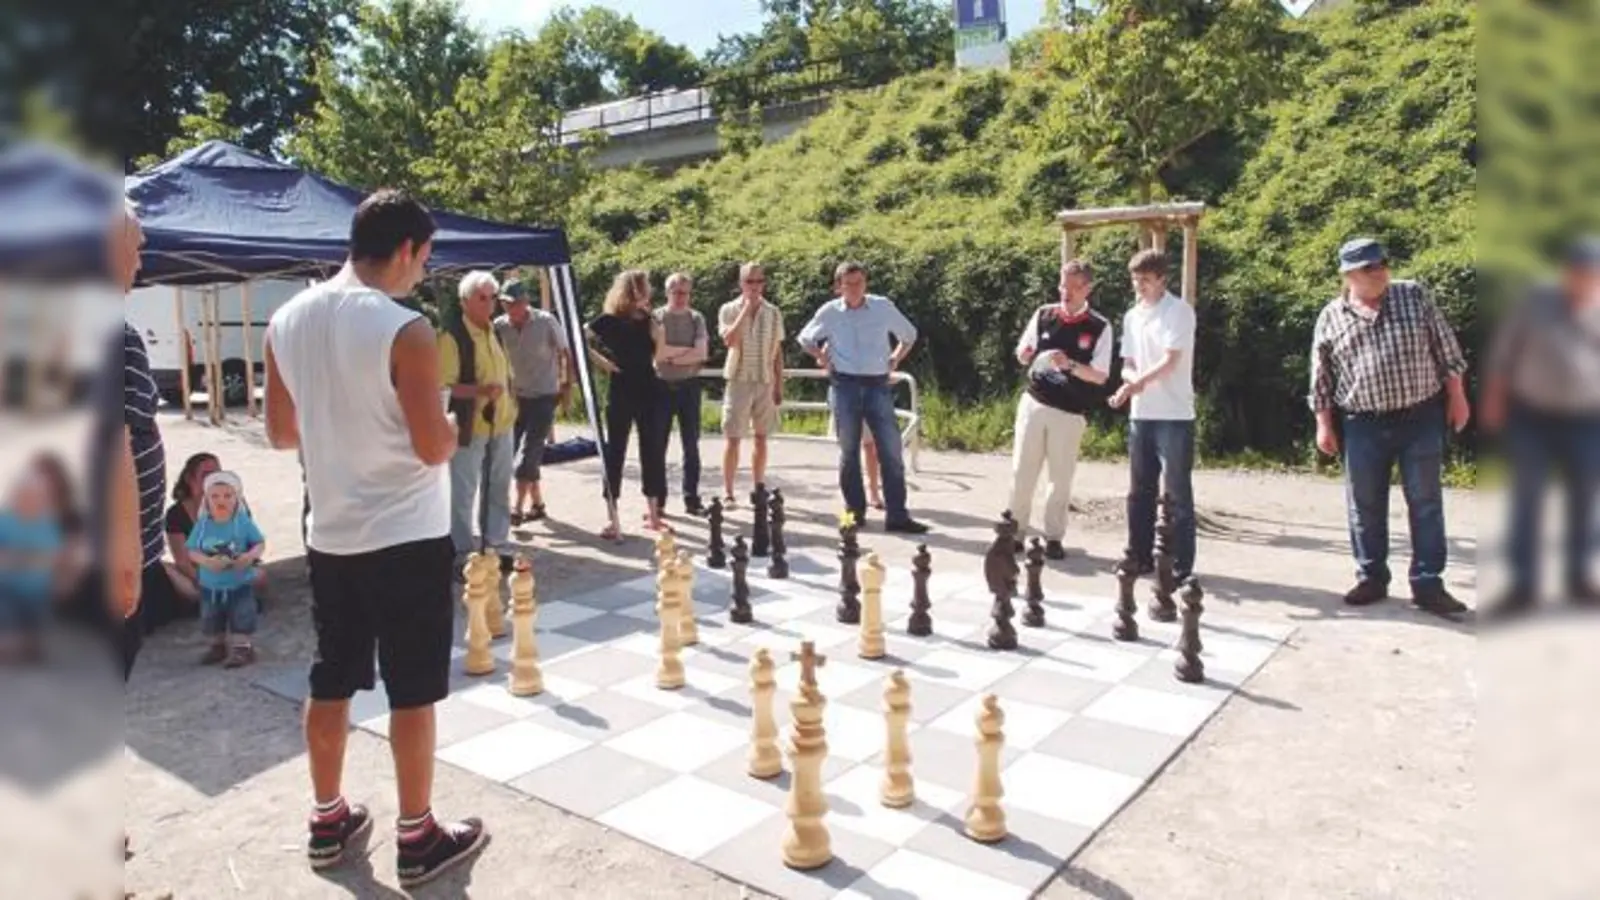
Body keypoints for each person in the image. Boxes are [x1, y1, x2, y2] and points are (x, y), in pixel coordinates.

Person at [263, 188, 487, 886]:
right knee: (411, 690)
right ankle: (417, 836)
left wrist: (342, 428)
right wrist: (452, 428)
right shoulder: (405, 326)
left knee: (331, 676)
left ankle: (327, 817)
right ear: (408, 250)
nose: (423, 273)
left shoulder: (286, 318)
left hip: (330, 532)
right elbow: (430, 446)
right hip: (406, 534)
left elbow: (279, 433)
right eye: (424, 258)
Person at [1310, 237, 1471, 619]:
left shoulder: (1413, 295)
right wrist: (1323, 424)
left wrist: (1458, 397)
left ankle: (1428, 584)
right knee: (1364, 505)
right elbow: (1320, 378)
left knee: (1426, 502)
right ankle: (1371, 577)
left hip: (1420, 417)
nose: (1380, 270)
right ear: (1348, 274)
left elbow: (1447, 351)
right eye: (1369, 267)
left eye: (1382, 262)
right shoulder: (1331, 316)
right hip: (1361, 423)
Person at [1481, 238, 1600, 616]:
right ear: (1567, 271)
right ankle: (1523, 586)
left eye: (1593, 273)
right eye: (1580, 271)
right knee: (1527, 499)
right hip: (1532, 415)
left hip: (1585, 418)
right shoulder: (1536, 301)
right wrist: (1494, 403)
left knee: (1583, 499)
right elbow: (1504, 354)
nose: (1585, 279)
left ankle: (1578, 580)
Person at [797, 261, 928, 533]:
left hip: (877, 383)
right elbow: (805, 338)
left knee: (890, 450)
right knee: (848, 451)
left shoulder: (882, 307)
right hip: (844, 384)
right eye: (849, 284)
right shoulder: (830, 312)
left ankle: (897, 514)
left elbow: (909, 334)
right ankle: (855, 512)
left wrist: (895, 358)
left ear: (866, 283)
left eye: (859, 283)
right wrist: (822, 357)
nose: (855, 289)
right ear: (839, 287)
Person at [1011, 260, 1114, 559]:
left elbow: (1100, 375)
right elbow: (1022, 353)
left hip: (1070, 411)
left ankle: (1053, 537)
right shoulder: (1044, 314)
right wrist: (1026, 354)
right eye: (1061, 286)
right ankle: (1014, 531)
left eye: (1072, 288)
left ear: (1087, 289)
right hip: (1034, 402)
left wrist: (1069, 364)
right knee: (1022, 471)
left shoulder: (1099, 326)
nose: (1065, 294)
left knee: (1060, 478)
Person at [1109, 250, 1196, 582]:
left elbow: (1171, 360)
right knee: (1139, 489)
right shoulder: (1132, 316)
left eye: (1145, 279)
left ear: (1162, 279)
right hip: (1141, 414)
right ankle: (1140, 554)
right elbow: (1129, 362)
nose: (1138, 286)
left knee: (1176, 493)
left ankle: (1180, 564)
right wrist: (1128, 385)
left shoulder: (1179, 312)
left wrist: (1137, 384)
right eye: (1134, 279)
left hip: (1174, 414)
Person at [440, 271, 516, 567]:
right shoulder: (452, 336)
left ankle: (495, 545)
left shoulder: (495, 331)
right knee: (464, 490)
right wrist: (481, 391)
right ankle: (461, 552)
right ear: (465, 302)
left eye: (492, 298)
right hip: (469, 425)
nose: (489, 304)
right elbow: (443, 386)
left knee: (498, 485)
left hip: (503, 423)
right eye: (482, 298)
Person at [586, 269, 669, 539]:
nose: (647, 294)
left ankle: (654, 514)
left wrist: (660, 334)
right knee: (615, 452)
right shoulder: (609, 320)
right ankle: (613, 517)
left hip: (648, 387)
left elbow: (660, 355)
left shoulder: (649, 320)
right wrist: (604, 363)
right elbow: (579, 339)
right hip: (621, 389)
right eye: (643, 288)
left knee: (652, 449)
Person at [494, 278, 570, 524]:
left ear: (525, 302)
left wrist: (565, 384)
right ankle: (537, 504)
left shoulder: (546, 321)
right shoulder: (499, 326)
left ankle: (516, 508)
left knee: (528, 453)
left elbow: (564, 352)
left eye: (514, 303)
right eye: (505, 303)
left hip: (545, 395)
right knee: (515, 450)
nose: (510, 308)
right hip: (516, 397)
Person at [717, 262, 785, 506]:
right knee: (733, 437)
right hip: (739, 379)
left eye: (759, 281)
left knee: (761, 437)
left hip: (764, 380)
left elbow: (777, 351)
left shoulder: (774, 312)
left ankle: (758, 487)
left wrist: (779, 383)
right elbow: (728, 340)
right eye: (749, 281)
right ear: (741, 283)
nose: (755, 286)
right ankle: (728, 491)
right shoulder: (728, 309)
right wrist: (745, 311)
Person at [165, 452, 270, 607]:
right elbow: (183, 562)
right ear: (189, 479)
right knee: (168, 572)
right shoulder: (176, 514)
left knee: (259, 577)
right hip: (198, 576)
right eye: (206, 475)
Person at [185, 471, 265, 668]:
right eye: (215, 496)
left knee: (242, 615)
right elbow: (192, 550)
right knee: (211, 618)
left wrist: (248, 557)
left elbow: (259, 543)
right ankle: (217, 646)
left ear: (237, 498)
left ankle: (242, 648)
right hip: (210, 585)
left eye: (228, 496)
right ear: (207, 500)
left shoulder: (243, 522)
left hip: (239, 582)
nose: (221, 501)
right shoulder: (203, 525)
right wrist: (205, 561)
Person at [654, 272, 709, 514]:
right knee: (658, 445)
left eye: (685, 292)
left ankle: (691, 498)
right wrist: (684, 352)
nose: (680, 297)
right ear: (667, 293)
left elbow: (701, 353)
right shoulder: (656, 317)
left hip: (689, 386)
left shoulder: (697, 318)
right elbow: (656, 353)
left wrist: (672, 355)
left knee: (691, 445)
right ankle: (659, 500)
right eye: (676, 292)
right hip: (660, 386)